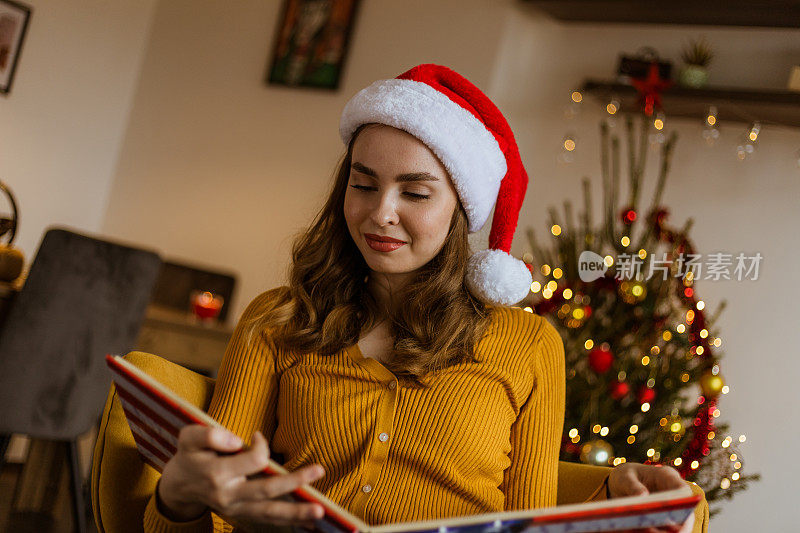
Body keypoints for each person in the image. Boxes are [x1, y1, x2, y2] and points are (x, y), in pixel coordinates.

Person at [146, 64, 700, 533]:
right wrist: (178, 495)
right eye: (363, 185)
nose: (380, 211)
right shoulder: (279, 318)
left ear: (459, 211)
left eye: (415, 192)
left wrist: (611, 510)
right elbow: (209, 502)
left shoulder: (528, 347)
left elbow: (531, 522)